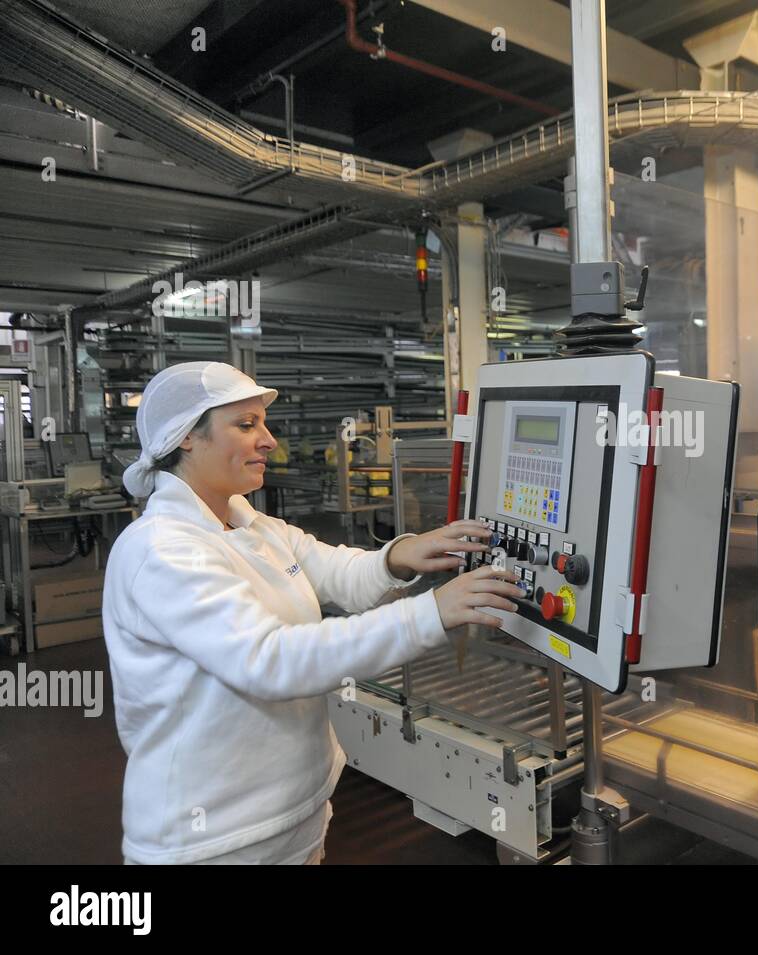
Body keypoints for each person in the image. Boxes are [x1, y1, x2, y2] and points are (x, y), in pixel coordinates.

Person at [102, 362, 520, 864]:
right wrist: (431, 613)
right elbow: (269, 660)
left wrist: (400, 555)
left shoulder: (253, 526)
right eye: (246, 424)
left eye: (263, 422)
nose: (269, 441)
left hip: (296, 813)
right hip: (213, 839)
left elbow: (337, 570)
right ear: (187, 437)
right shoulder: (162, 550)